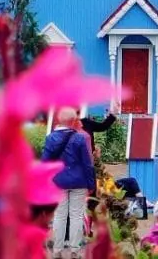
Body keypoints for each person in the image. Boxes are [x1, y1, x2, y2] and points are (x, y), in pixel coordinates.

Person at [42, 107, 95, 257]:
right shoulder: (79, 138)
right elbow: (87, 163)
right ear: (73, 121)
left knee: (59, 215)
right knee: (77, 216)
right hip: (79, 182)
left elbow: (45, 162)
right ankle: (75, 251)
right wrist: (91, 184)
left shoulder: (51, 138)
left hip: (58, 182)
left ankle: (57, 250)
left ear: (59, 120)